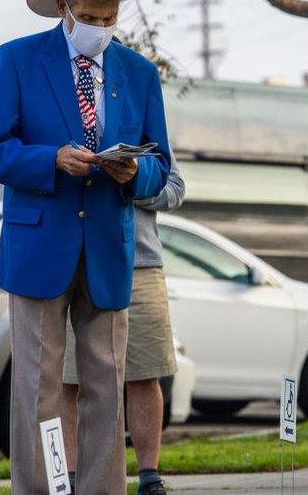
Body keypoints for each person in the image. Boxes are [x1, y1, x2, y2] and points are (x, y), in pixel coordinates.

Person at [0, 0, 171, 493]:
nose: (101, 27)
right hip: (38, 248)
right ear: (65, 7)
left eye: (110, 18)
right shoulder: (15, 59)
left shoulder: (139, 72)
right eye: (91, 15)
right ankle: (37, 490)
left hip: (110, 246)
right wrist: (51, 159)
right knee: (36, 385)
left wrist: (133, 174)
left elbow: (162, 166)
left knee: (107, 383)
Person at [60, 151, 184, 495]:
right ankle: (69, 479)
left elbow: (174, 190)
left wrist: (132, 180)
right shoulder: (64, 117)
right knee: (68, 378)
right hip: (78, 261)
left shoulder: (143, 122)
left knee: (145, 372)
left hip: (140, 264)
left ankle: (149, 477)